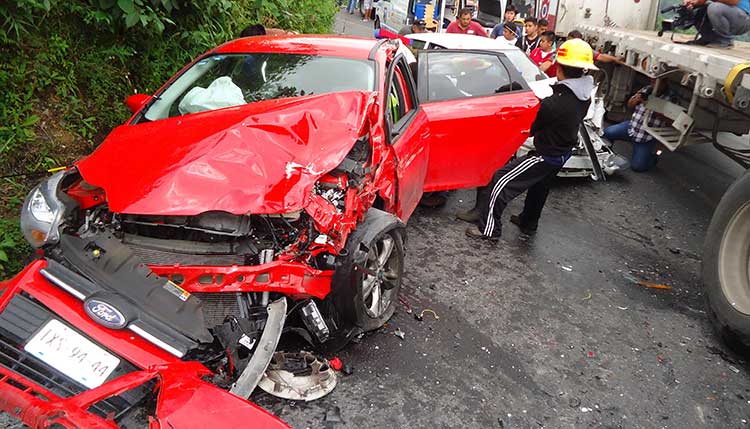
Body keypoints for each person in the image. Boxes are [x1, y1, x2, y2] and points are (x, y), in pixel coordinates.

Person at [464, 38, 597, 240]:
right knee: (540, 187)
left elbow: (533, 127)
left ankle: (489, 230)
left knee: (500, 179)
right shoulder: (584, 95)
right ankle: (528, 222)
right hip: (562, 153)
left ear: (560, 68)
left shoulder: (556, 103)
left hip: (546, 154)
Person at [602, 84, 670, 172]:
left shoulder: (670, 98)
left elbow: (670, 120)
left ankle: (652, 158)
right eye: (653, 80)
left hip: (646, 137)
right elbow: (630, 105)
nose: (654, 83)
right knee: (607, 132)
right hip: (632, 128)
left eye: (658, 82)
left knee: (638, 167)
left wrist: (652, 106)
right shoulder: (646, 88)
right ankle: (607, 155)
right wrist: (636, 99)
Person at [683, 0, 750, 47]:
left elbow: (733, 1)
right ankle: (708, 38)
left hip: (742, 19)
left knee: (715, 7)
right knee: (695, 9)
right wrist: (690, 3)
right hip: (727, 14)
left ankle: (725, 41)